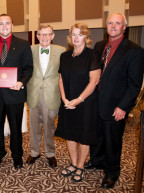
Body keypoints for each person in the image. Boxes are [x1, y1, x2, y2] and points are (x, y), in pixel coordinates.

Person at [85, 13, 144, 189]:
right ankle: (97, 161)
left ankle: (112, 172)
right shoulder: (99, 45)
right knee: (97, 136)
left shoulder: (134, 51)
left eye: (117, 23)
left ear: (124, 27)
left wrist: (123, 107)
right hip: (96, 102)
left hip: (115, 105)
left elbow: (134, 85)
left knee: (113, 141)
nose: (113, 26)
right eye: (110, 23)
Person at [0, 14, 33, 169]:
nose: (4, 26)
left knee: (15, 128)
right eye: (0, 24)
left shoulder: (23, 44)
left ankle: (17, 155)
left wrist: (21, 82)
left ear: (12, 25)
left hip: (15, 94)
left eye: (7, 23)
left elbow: (28, 68)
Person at [55, 23, 101, 182]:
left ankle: (81, 166)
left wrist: (79, 100)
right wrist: (64, 99)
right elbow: (60, 79)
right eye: (73, 34)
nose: (76, 38)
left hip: (86, 103)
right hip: (68, 102)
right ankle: (73, 164)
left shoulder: (93, 55)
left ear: (86, 37)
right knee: (70, 134)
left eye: (80, 35)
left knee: (84, 136)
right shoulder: (65, 56)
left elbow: (94, 82)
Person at [26, 25, 66, 167]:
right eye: (41, 34)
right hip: (34, 93)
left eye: (47, 34)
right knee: (35, 126)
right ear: (37, 36)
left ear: (53, 36)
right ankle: (34, 152)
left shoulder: (61, 51)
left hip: (52, 94)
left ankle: (50, 153)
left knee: (49, 126)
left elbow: (65, 74)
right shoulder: (29, 49)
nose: (44, 37)